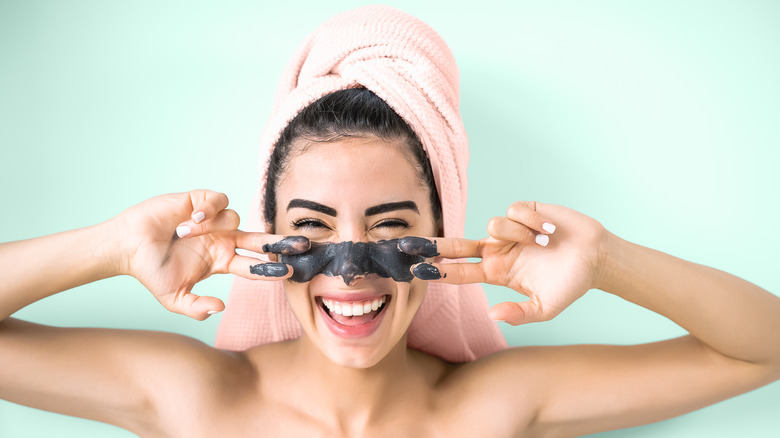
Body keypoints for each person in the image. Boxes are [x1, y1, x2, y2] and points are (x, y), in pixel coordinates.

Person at [2, 5, 779, 437]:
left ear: (444, 229)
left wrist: (608, 261)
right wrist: (112, 246)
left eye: (389, 226)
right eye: (312, 227)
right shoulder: (200, 401)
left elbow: (764, 349)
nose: (351, 272)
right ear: (265, 237)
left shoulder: (491, 409)